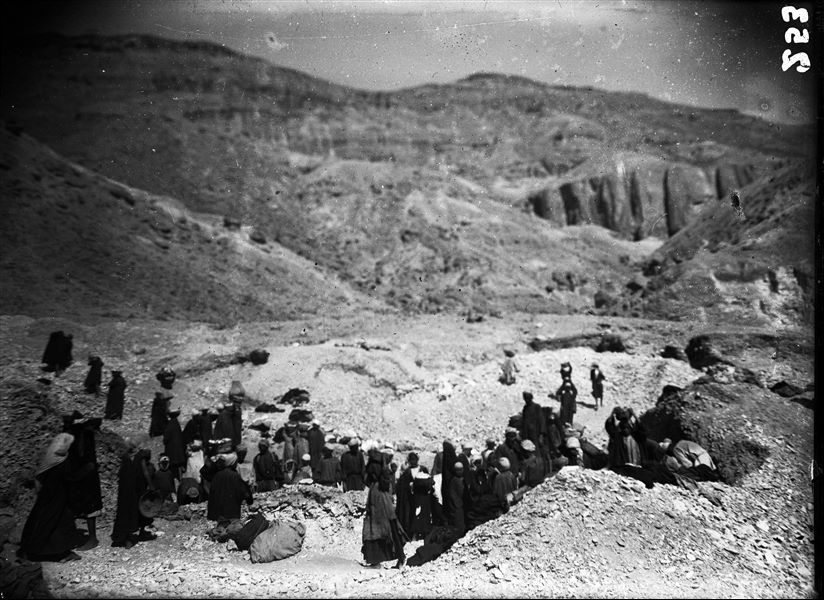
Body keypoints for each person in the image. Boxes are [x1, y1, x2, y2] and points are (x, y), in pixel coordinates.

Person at [20, 433, 86, 562]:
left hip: (46, 495)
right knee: (59, 523)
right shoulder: (62, 461)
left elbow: (41, 477)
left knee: (41, 520)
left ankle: (31, 550)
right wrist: (85, 470)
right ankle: (61, 553)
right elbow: (70, 477)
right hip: (58, 497)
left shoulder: (49, 458)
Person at [63, 414, 103, 551]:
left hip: (86, 476)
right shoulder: (75, 435)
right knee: (75, 506)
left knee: (90, 507)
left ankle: (92, 539)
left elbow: (84, 456)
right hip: (78, 475)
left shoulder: (85, 435)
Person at [362, 468, 406, 568]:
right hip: (389, 513)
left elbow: (372, 504)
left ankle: (376, 562)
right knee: (394, 534)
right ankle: (401, 559)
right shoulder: (386, 484)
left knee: (374, 535)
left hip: (377, 517)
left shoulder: (375, 487)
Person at [605, 407, 655, 488]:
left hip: (638, 467)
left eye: (627, 427)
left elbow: (643, 430)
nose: (625, 429)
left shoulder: (637, 436)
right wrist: (612, 414)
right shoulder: (618, 437)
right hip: (624, 468)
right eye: (623, 427)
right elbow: (609, 427)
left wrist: (635, 416)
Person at [207, 453, 253, 523]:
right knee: (233, 527)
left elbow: (213, 492)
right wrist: (249, 500)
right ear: (232, 463)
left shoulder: (217, 475)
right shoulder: (234, 475)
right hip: (232, 511)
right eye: (236, 462)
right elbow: (244, 490)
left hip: (218, 512)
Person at [111, 440, 140, 548]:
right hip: (128, 494)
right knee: (127, 515)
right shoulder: (128, 461)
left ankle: (124, 538)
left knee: (124, 515)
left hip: (126, 494)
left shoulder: (126, 462)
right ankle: (126, 538)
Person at [133, 448, 157, 541]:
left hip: (138, 487)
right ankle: (141, 532)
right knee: (142, 509)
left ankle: (141, 531)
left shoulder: (137, 459)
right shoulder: (142, 459)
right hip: (139, 488)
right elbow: (145, 472)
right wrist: (151, 486)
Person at [395, 452, 420, 534]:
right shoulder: (407, 473)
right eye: (412, 460)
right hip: (409, 499)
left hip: (416, 498)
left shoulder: (420, 470)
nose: (413, 462)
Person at [163, 408, 186, 480]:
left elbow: (166, 438)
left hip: (172, 451)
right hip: (178, 451)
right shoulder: (176, 422)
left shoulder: (170, 424)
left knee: (172, 469)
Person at [447, 462, 467, 534]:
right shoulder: (455, 480)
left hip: (459, 505)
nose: (460, 472)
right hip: (457, 506)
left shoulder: (459, 479)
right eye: (458, 470)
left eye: (461, 469)